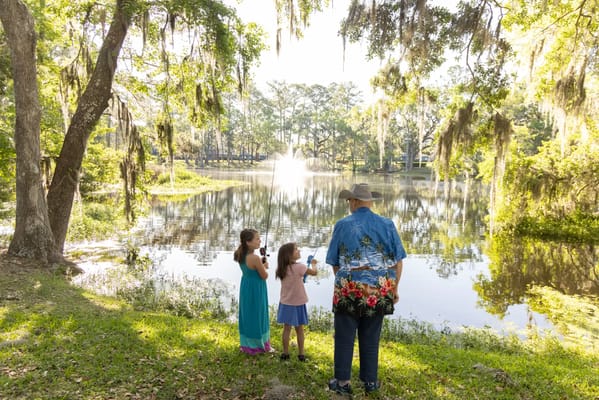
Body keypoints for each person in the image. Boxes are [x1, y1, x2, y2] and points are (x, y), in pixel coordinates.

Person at [325, 183, 407, 395]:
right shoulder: (387, 224)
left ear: (354, 201)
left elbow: (334, 261)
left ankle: (342, 383)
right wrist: (394, 288)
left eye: (349, 201)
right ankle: (370, 382)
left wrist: (347, 284)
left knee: (344, 336)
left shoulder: (342, 225)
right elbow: (398, 261)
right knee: (371, 336)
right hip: (380, 289)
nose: (348, 204)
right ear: (370, 202)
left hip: (348, 288)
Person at [275, 242, 318, 362]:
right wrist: (314, 264)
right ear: (289, 255)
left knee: (286, 328)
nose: (298, 251)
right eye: (296, 249)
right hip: (298, 303)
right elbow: (314, 273)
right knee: (299, 329)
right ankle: (301, 354)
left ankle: (285, 353)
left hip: (286, 303)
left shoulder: (282, 269)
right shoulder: (300, 267)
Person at [233, 228, 273, 354]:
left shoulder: (241, 255)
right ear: (248, 242)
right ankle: (259, 345)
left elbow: (250, 268)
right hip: (257, 289)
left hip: (246, 287)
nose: (259, 240)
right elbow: (264, 276)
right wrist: (264, 266)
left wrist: (260, 265)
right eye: (257, 239)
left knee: (248, 314)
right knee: (258, 314)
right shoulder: (255, 258)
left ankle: (246, 344)